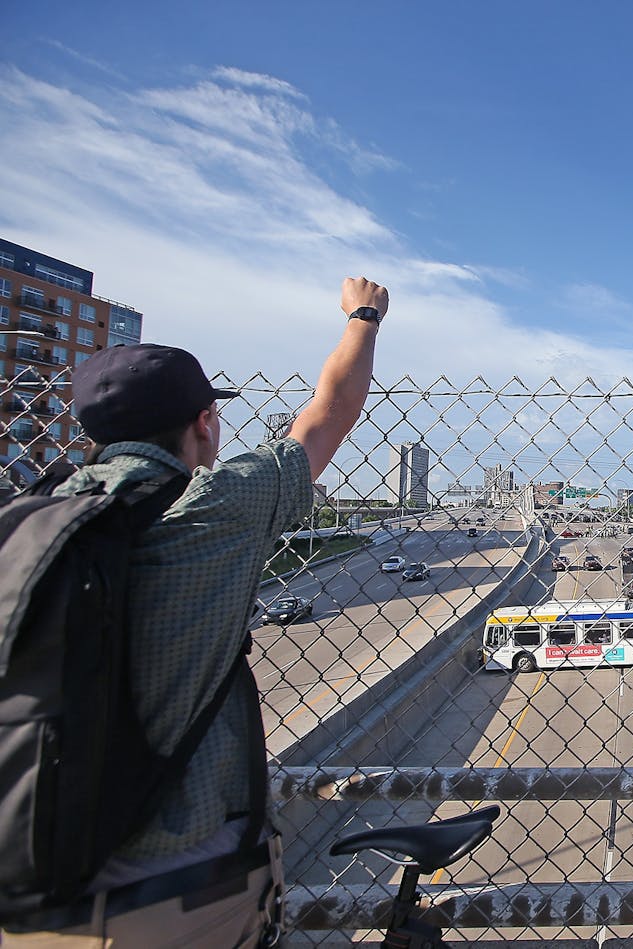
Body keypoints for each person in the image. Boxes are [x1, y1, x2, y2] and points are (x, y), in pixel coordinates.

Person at [2, 277, 389, 948]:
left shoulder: (28, 520)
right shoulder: (215, 509)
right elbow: (328, 414)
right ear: (205, 422)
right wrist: (363, 316)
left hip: (32, 886)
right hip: (178, 890)